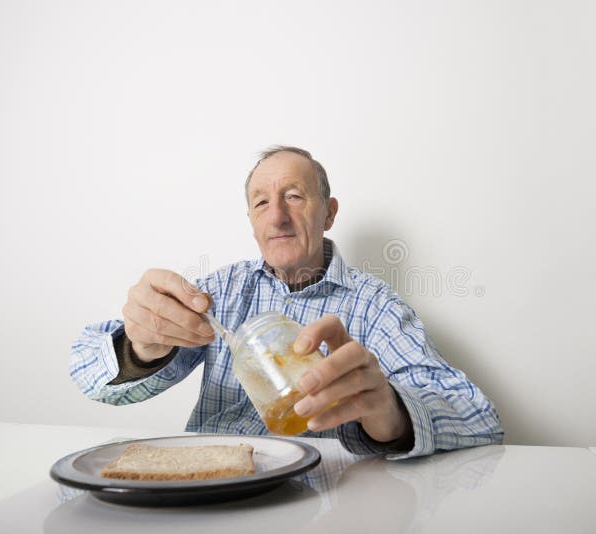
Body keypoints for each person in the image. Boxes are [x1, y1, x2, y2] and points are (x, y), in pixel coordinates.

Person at [70, 146, 503, 459]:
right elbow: (87, 375)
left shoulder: (374, 307)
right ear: (252, 222)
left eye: (294, 197)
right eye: (261, 203)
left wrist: (390, 412)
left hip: (319, 506)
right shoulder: (217, 296)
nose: (276, 216)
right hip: (207, 497)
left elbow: (481, 419)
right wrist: (141, 346)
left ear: (329, 213)